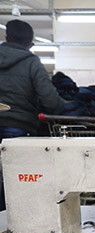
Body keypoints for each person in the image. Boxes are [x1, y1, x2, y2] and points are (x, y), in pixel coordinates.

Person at [0, 19, 66, 211]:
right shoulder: (31, 63)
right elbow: (50, 100)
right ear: (31, 43)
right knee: (16, 181)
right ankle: (11, 222)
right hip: (18, 128)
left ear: (6, 38)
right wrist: (68, 107)